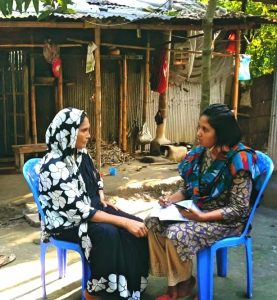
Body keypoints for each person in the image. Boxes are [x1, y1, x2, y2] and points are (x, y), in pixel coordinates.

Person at [145, 103, 260, 300]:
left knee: (175, 233)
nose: (199, 133)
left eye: (205, 129)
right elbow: (190, 189)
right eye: (199, 127)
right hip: (197, 211)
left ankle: (179, 288)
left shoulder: (239, 160)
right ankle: (180, 282)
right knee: (152, 221)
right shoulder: (201, 154)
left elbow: (239, 209)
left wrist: (202, 216)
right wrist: (170, 200)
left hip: (227, 221)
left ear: (221, 132)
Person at [38, 107, 149, 300]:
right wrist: (121, 221)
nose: (89, 135)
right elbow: (79, 211)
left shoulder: (80, 153)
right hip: (66, 222)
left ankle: (130, 287)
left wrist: (102, 198)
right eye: (84, 130)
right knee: (109, 232)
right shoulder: (53, 166)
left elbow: (96, 177)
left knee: (138, 224)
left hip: (91, 208)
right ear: (68, 131)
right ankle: (94, 292)